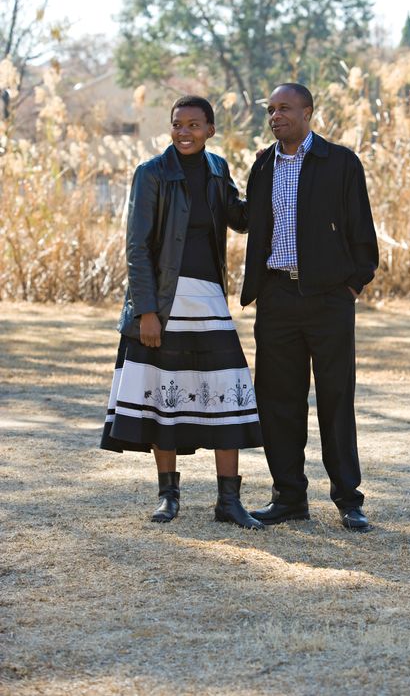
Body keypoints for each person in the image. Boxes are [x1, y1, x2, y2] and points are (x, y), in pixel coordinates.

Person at [100, 95, 264, 530]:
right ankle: (168, 497)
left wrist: (264, 172)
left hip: (209, 298)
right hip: (165, 303)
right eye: (177, 124)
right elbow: (136, 248)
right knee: (163, 398)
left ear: (211, 130)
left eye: (194, 124)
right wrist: (148, 312)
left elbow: (241, 218)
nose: (184, 132)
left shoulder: (217, 169)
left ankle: (229, 502)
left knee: (227, 394)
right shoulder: (151, 174)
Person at [241, 83, 378, 530]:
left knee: (337, 399)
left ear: (308, 112)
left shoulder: (339, 162)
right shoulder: (262, 165)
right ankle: (288, 497)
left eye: (284, 108)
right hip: (277, 299)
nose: (275, 116)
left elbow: (361, 229)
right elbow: (252, 222)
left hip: (328, 299)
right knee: (278, 400)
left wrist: (352, 284)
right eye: (270, 110)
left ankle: (348, 499)